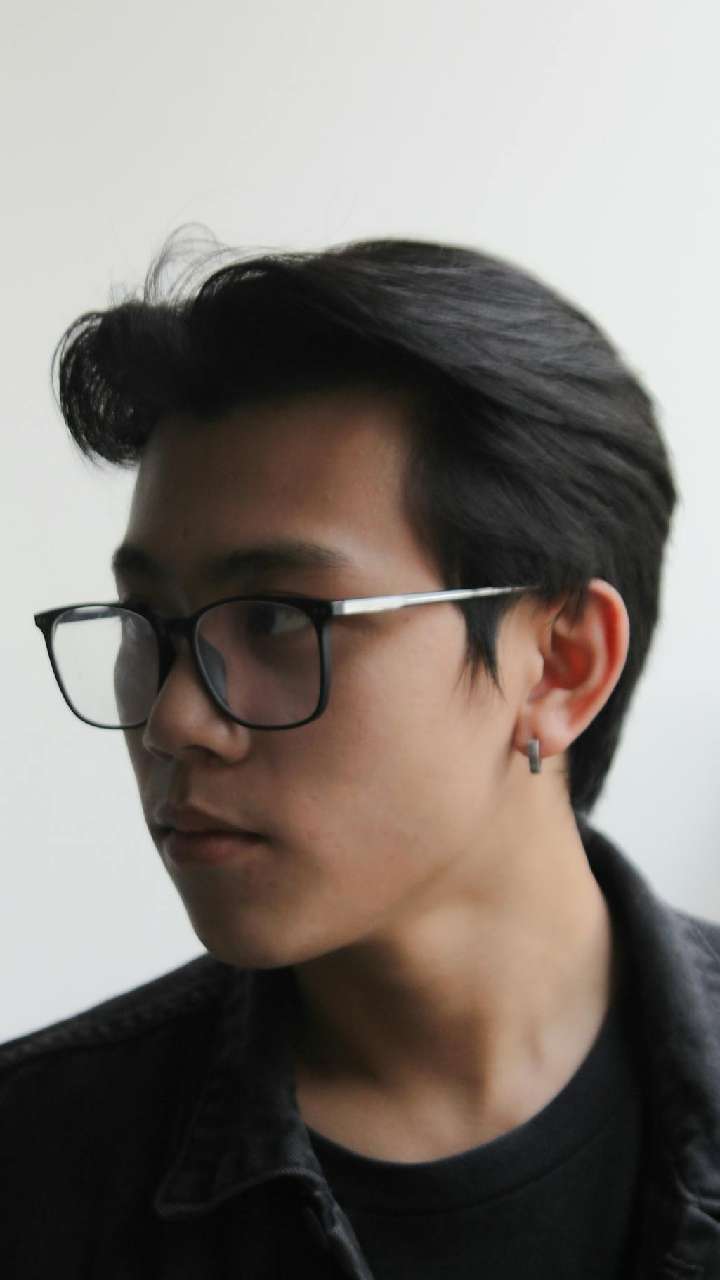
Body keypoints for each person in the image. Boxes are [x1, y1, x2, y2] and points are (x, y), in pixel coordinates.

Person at [2, 230, 719, 1278]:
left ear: (560, 666)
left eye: (276, 618)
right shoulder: (36, 1171)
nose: (174, 719)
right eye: (146, 621)